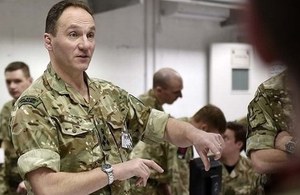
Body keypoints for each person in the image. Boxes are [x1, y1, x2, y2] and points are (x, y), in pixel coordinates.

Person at [9, 1, 224, 195]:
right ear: (49, 41)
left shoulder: (109, 93)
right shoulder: (34, 105)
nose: (85, 45)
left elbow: (158, 123)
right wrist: (114, 172)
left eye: (90, 35)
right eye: (73, 34)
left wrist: (195, 134)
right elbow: (47, 187)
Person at [131, 104, 226, 195]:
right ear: (204, 128)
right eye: (211, 138)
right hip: (142, 184)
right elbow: (179, 179)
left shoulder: (182, 127)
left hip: (145, 181)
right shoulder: (183, 136)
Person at [129, 67, 183, 195]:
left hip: (148, 176)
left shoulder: (155, 106)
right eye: (176, 92)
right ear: (159, 90)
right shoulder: (146, 107)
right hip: (139, 178)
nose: (180, 96)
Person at [172, 104, 226, 195]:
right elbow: (177, 178)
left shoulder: (185, 130)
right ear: (204, 128)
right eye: (212, 137)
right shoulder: (182, 134)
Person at [0, 62, 32, 195]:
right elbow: (3, 145)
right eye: (8, 82)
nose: (12, 86)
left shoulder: (41, 109)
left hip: (31, 185)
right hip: (9, 183)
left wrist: (30, 182)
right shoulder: (7, 109)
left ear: (30, 81)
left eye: (17, 81)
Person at [221, 121, 263, 195]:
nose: (219, 141)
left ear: (239, 144)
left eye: (225, 138)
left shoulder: (255, 171)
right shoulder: (207, 166)